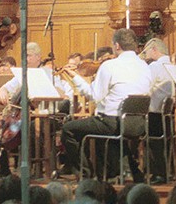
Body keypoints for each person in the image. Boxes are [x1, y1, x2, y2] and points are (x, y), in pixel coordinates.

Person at [61, 28, 151, 180]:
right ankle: (124, 171)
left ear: (116, 46)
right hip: (137, 123)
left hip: (113, 123)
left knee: (68, 129)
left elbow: (94, 96)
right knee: (104, 131)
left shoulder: (110, 66)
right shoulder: (145, 67)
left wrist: (75, 77)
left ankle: (86, 174)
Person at [141, 38, 173, 183]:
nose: (144, 54)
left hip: (154, 112)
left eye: (146, 51)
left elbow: (145, 87)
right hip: (166, 112)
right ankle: (167, 171)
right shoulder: (173, 65)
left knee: (154, 144)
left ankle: (158, 173)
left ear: (154, 49)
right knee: (164, 143)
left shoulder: (155, 66)